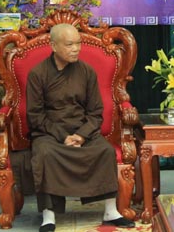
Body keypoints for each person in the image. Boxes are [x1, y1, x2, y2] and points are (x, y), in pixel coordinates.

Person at [27, 23, 135, 231]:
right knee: (45, 154)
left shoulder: (86, 71)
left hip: (83, 129)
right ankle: (49, 215)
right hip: (49, 132)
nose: (76, 49)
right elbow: (35, 116)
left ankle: (111, 211)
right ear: (54, 46)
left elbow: (95, 112)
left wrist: (82, 135)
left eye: (78, 43)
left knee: (104, 151)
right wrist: (63, 136)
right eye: (69, 44)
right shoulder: (38, 74)